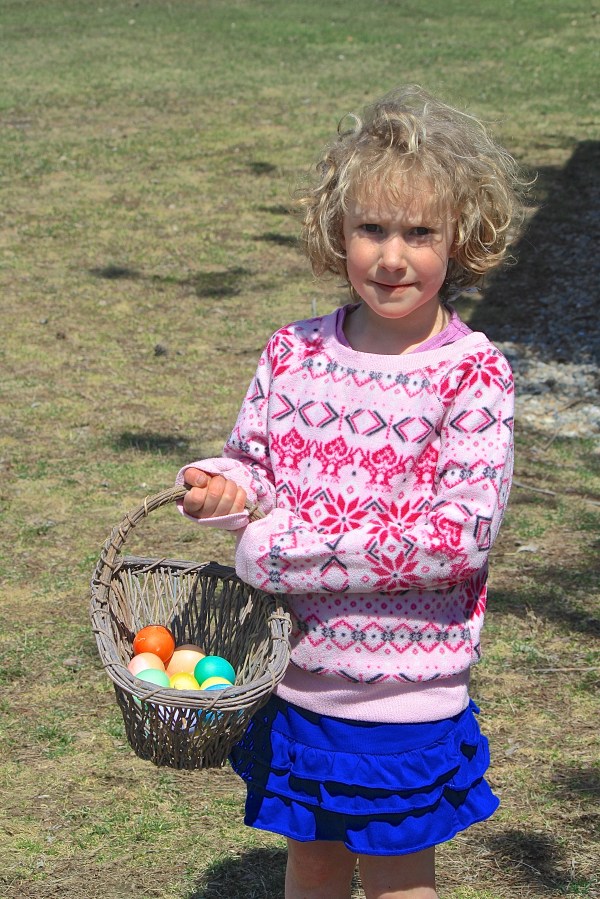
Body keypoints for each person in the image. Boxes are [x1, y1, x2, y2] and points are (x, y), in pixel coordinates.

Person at [176, 84, 525, 899]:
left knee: (398, 878)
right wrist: (223, 486)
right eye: (372, 229)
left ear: (462, 236)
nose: (392, 257)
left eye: (419, 232)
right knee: (313, 859)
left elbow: (457, 538)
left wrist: (281, 552)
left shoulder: (472, 374)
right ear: (339, 231)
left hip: (403, 695)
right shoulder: (293, 354)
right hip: (294, 675)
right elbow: (257, 465)